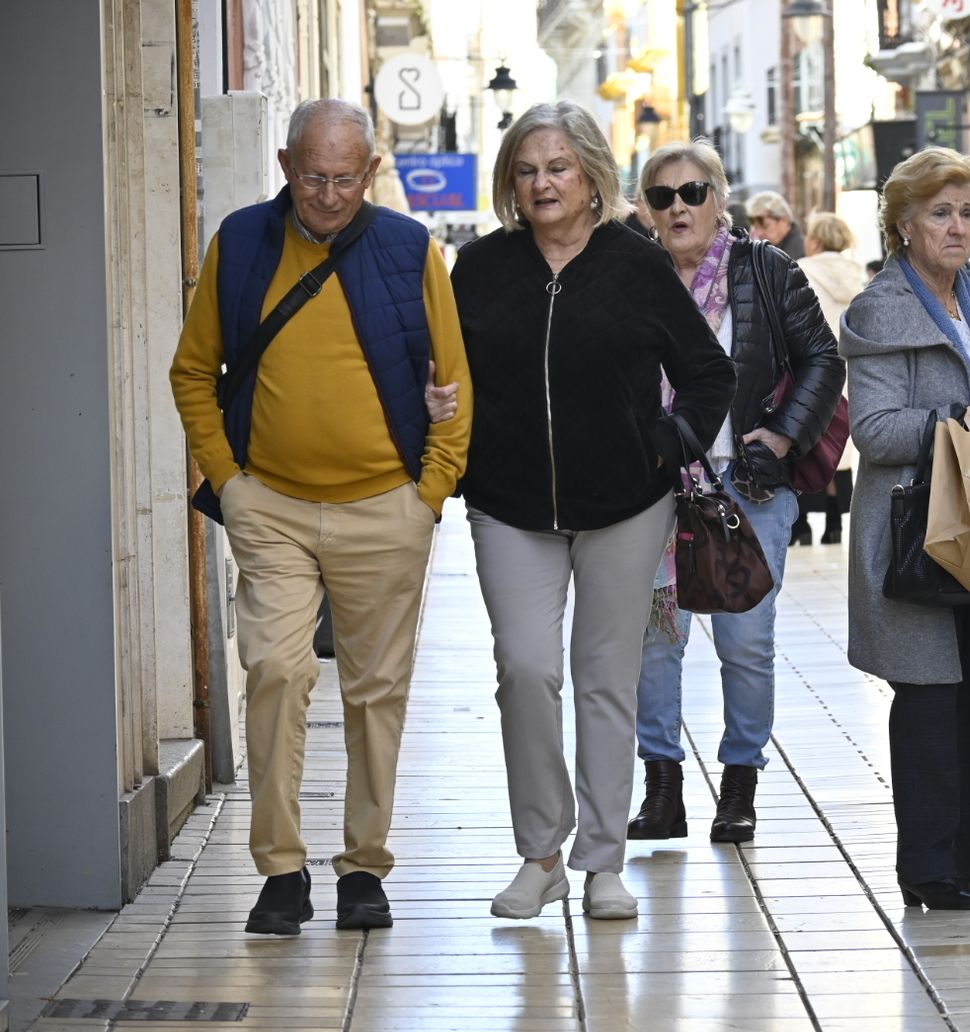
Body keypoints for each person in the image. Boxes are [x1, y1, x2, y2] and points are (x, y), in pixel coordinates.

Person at [169, 99, 473, 936]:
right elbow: (193, 370)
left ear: (370, 173)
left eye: (345, 178)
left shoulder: (410, 249)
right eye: (313, 176)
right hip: (271, 503)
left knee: (376, 690)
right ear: (284, 163)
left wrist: (429, 495)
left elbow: (454, 378)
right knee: (274, 670)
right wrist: (229, 481)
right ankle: (280, 868)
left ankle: (365, 866)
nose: (329, 195)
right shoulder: (241, 242)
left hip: (386, 506)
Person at [450, 103, 735, 921]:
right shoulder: (482, 267)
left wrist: (666, 444)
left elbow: (709, 373)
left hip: (624, 503)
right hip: (509, 504)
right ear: (512, 181)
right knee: (526, 670)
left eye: (558, 167)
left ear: (591, 177)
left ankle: (603, 861)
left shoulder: (634, 263)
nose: (543, 182)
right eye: (528, 169)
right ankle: (540, 854)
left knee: (606, 678)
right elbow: (444, 371)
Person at [838, 147, 970, 911]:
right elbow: (877, 430)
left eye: (965, 213)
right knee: (928, 700)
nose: (957, 228)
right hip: (918, 527)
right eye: (938, 213)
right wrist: (963, 417)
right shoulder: (879, 310)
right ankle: (928, 865)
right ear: (903, 224)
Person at [626, 140, 844, 844]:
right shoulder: (632, 275)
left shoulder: (766, 270)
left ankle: (739, 783)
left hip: (746, 484)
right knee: (655, 642)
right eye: (662, 197)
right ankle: (663, 787)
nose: (679, 207)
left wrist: (781, 436)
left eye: (693, 192)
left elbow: (823, 358)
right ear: (646, 210)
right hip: (655, 490)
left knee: (745, 644)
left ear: (720, 199)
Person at [796, 211, 869, 546]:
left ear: (816, 239)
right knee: (843, 446)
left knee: (813, 442)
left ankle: (804, 525)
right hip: (850, 365)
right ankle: (836, 522)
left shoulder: (802, 270)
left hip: (814, 366)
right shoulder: (859, 275)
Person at [745, 190, 807, 260]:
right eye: (756, 227)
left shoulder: (799, 256)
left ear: (784, 220)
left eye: (766, 226)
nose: (759, 233)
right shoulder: (775, 252)